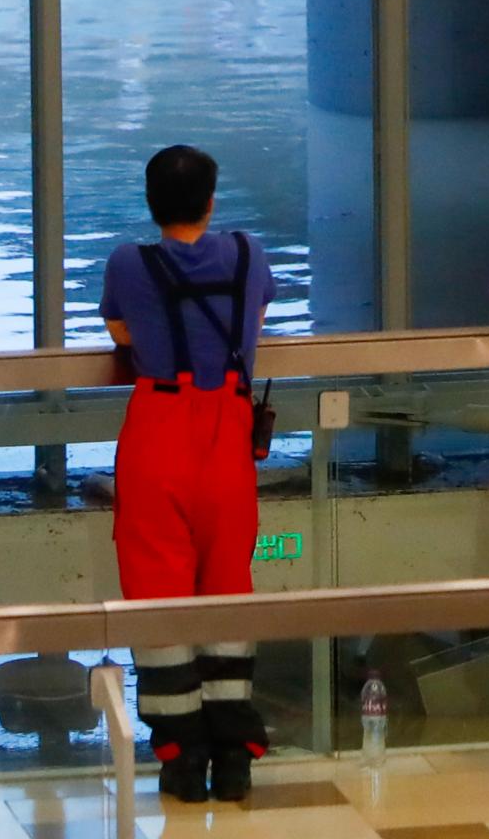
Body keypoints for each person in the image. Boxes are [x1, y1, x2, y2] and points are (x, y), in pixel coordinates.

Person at [100, 145, 276, 803]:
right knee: (229, 590)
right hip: (228, 439)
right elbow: (253, 321)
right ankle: (236, 756)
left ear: (151, 204)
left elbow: (122, 333)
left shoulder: (128, 262)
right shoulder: (249, 254)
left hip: (158, 431)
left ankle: (180, 759)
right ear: (211, 200)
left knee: (159, 599)